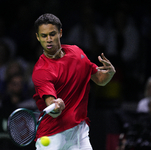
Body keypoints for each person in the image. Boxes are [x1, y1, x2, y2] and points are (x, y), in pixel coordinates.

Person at [32, 13, 116, 150]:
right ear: (37, 37)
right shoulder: (41, 71)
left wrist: (110, 73)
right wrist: (56, 106)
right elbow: (52, 107)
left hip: (79, 132)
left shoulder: (77, 53)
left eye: (52, 34)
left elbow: (100, 79)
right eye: (43, 35)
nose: (48, 39)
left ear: (60, 32)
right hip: (52, 136)